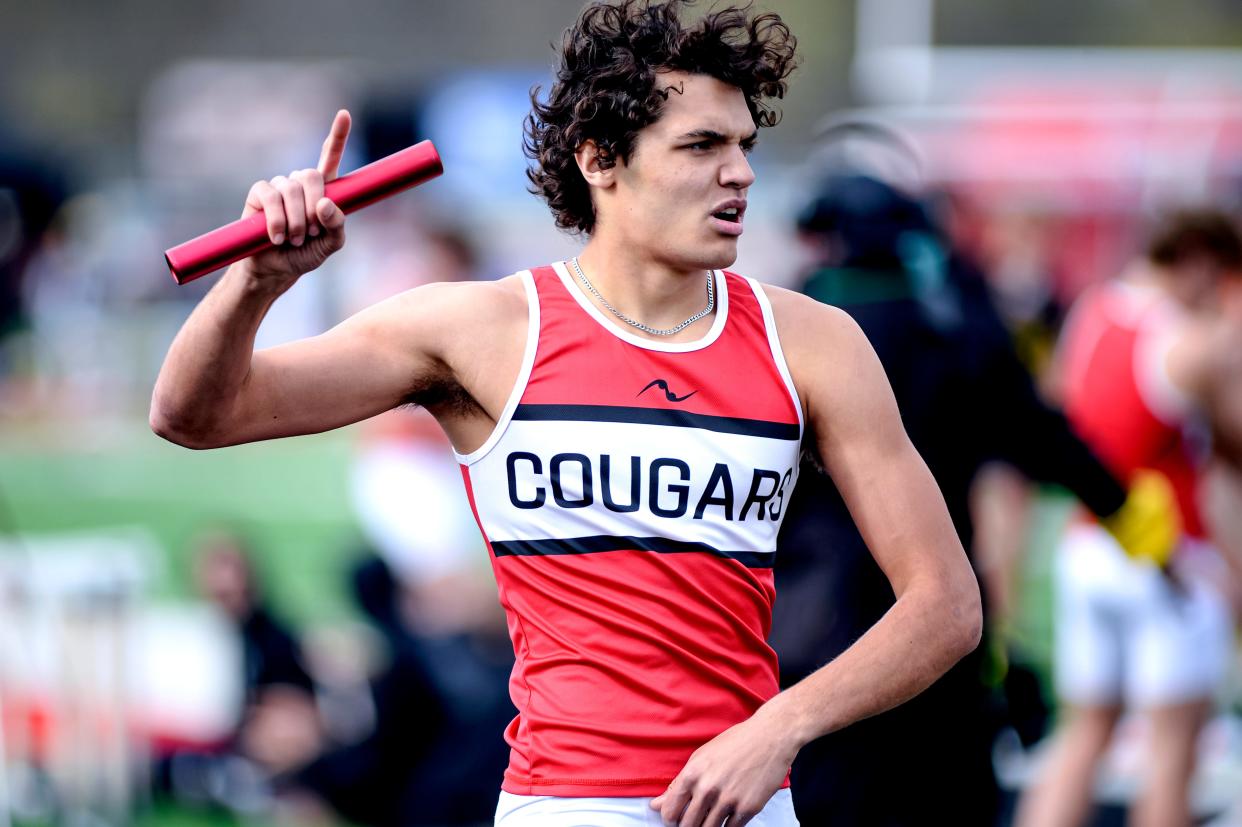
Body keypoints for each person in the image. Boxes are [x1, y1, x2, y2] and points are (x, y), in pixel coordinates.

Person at [150, 2, 982, 825]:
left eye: (744, 146)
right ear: (599, 159)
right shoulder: (479, 332)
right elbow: (193, 415)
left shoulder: (813, 342)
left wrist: (781, 725)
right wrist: (257, 279)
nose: (741, 172)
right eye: (702, 145)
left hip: (747, 798)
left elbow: (945, 603)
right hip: (564, 803)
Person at [771, 173, 1178, 827]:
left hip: (806, 636)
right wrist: (1134, 520)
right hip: (936, 637)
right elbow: (1045, 436)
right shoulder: (955, 327)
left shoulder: (778, 333)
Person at [1015, 209, 1242, 827]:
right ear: (1197, 262)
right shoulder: (1191, 340)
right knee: (1173, 751)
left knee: (1083, 734)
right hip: (1167, 559)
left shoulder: (1093, 311)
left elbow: (1067, 409)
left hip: (1088, 546)